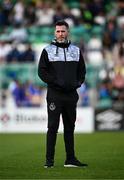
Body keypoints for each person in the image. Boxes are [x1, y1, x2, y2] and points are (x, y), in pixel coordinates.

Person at [38, 20, 87, 168]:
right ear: (55, 32)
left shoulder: (76, 51)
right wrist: (56, 82)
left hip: (71, 95)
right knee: (52, 127)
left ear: (67, 32)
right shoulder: (47, 50)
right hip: (55, 95)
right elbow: (42, 72)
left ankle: (70, 160)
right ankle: (49, 162)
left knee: (69, 127)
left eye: (63, 31)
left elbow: (82, 71)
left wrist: (77, 83)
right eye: (58, 31)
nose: (60, 34)